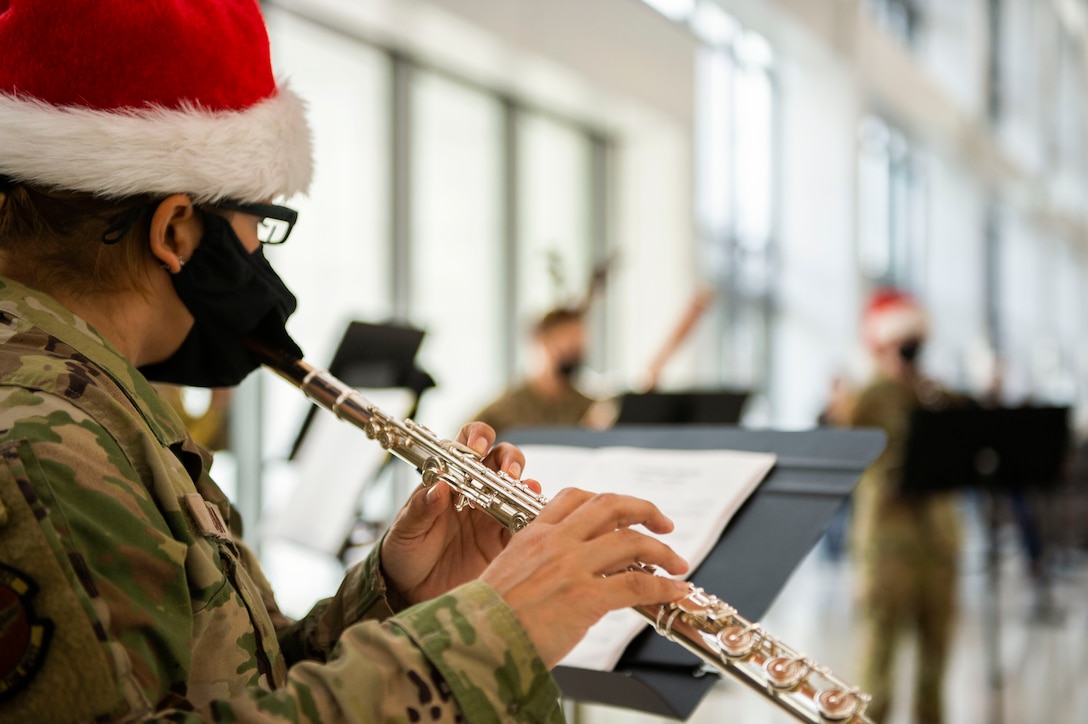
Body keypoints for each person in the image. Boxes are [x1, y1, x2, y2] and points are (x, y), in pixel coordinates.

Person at [0, 2, 691, 721]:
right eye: (259, 223)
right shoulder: (40, 443)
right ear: (176, 228)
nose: (260, 259)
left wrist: (397, 593)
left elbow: (234, 688)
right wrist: (492, 632)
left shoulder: (94, 406)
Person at [846, 289, 963, 724]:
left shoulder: (933, 392)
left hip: (938, 538)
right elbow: (846, 431)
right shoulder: (871, 395)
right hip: (887, 542)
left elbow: (968, 424)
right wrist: (885, 374)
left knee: (936, 657)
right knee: (878, 660)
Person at [471, 307, 601, 437]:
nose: (574, 355)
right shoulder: (502, 412)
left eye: (578, 346)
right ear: (542, 341)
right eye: (568, 344)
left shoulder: (590, 410)